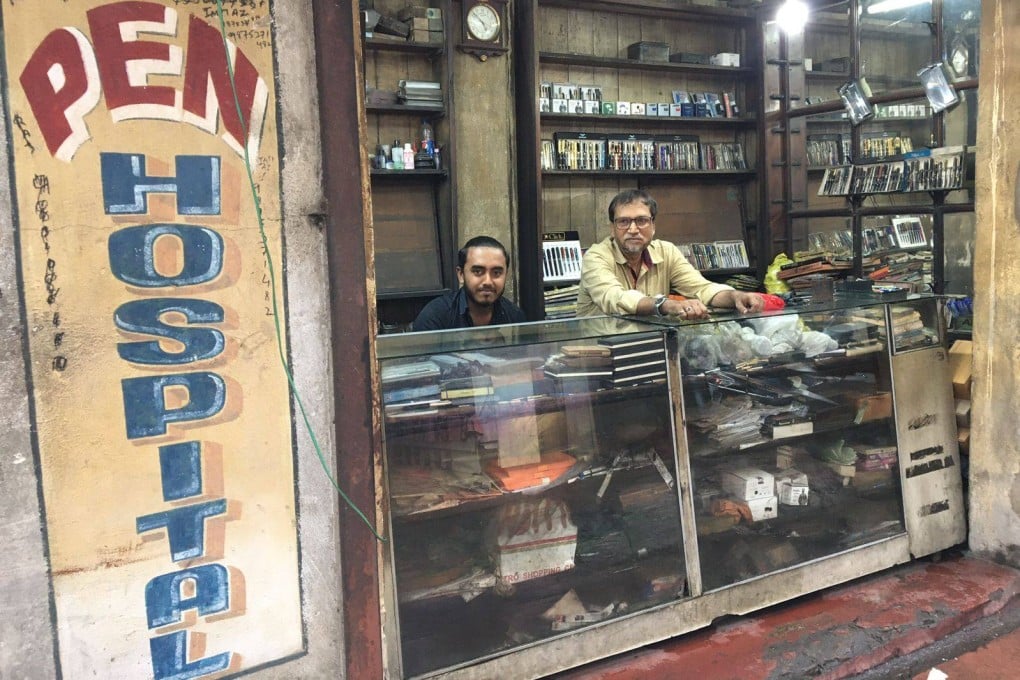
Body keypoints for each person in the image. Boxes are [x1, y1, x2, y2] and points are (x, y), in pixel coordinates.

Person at [576, 189, 765, 319]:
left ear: (653, 226)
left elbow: (701, 288)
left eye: (641, 220)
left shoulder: (666, 251)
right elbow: (614, 298)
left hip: (649, 346)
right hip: (597, 353)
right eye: (624, 222)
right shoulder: (596, 256)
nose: (633, 229)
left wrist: (735, 297)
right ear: (612, 228)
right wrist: (665, 305)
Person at [412, 236, 527, 331]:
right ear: (461, 275)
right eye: (478, 272)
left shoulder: (514, 316)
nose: (487, 281)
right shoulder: (435, 317)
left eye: (496, 273)